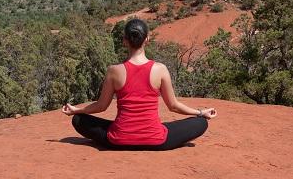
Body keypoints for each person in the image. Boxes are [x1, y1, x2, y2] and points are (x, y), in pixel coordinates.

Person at [62, 18, 217, 150]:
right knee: (201, 123)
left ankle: (125, 133)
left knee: (79, 120)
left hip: (119, 140)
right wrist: (200, 112)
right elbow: (173, 106)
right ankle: (155, 130)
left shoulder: (113, 71)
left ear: (124, 41)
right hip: (155, 140)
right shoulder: (160, 69)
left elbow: (101, 106)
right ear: (147, 39)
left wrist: (77, 110)